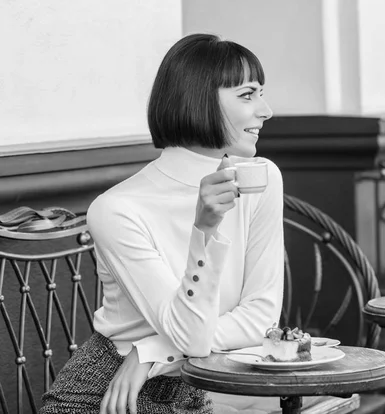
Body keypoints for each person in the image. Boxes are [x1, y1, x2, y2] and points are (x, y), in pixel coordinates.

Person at [40, 33, 285, 414]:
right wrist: (204, 231)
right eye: (247, 95)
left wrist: (151, 352)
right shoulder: (117, 210)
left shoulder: (261, 178)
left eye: (261, 93)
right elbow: (191, 335)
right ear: (200, 99)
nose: (266, 110)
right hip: (110, 393)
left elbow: (261, 317)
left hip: (190, 375)